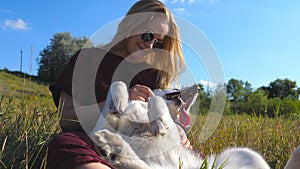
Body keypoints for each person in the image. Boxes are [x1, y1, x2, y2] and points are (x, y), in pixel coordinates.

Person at [47, 0, 192, 168]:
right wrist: (120, 104)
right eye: (148, 34)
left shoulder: (152, 75)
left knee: (196, 157)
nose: (150, 45)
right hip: (96, 145)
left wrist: (180, 134)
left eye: (158, 42)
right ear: (130, 24)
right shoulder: (87, 59)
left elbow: (167, 123)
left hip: (147, 149)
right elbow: (65, 118)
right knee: (65, 144)